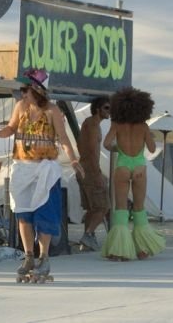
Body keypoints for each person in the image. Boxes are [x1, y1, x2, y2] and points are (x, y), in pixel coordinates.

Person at [0, 68, 85, 280]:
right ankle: (29, 255)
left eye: (24, 89)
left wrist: (74, 160)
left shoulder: (52, 111)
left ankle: (44, 257)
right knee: (23, 214)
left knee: (44, 215)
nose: (21, 94)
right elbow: (10, 129)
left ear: (37, 90)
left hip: (44, 169)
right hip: (22, 167)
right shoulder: (21, 106)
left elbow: (64, 138)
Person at [101, 87, 165, 261]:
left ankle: (119, 250)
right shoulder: (143, 127)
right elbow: (152, 149)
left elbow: (106, 144)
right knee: (139, 208)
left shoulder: (116, 125)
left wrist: (118, 148)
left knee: (120, 208)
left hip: (122, 165)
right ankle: (142, 248)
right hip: (139, 167)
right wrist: (149, 136)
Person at [76, 96, 111, 251]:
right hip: (90, 169)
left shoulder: (91, 124)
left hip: (84, 168)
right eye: (106, 108)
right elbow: (90, 149)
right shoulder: (92, 124)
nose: (109, 111)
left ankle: (87, 241)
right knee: (104, 207)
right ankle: (88, 234)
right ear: (98, 109)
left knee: (92, 208)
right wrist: (97, 173)